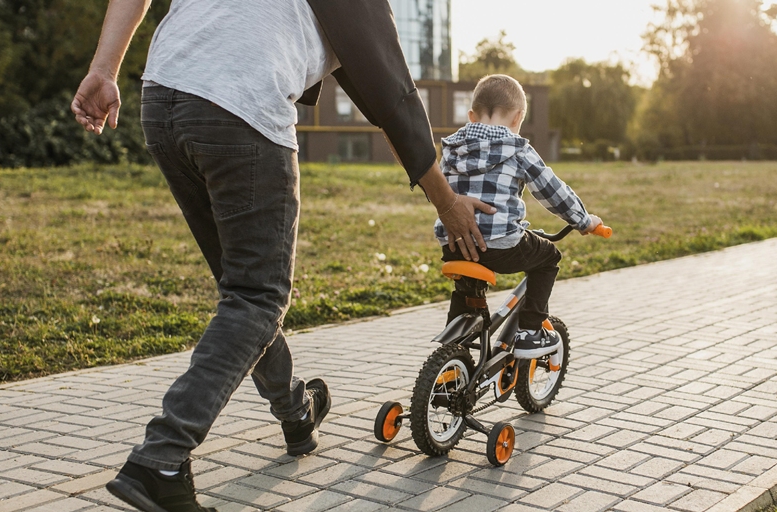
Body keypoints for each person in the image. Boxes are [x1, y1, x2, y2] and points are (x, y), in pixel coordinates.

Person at [70, 1, 496, 511]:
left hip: (163, 94)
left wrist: (103, 69)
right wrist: (447, 202)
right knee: (257, 298)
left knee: (243, 292)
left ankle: (296, 411)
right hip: (240, 101)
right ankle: (160, 458)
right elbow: (394, 100)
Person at [435, 75, 603, 359]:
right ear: (518, 117)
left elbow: (439, 190)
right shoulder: (517, 147)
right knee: (548, 259)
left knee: (467, 289)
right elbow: (552, 190)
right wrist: (584, 220)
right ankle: (530, 332)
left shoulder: (451, 147)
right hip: (500, 244)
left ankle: (450, 358)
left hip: (454, 242)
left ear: (471, 115)